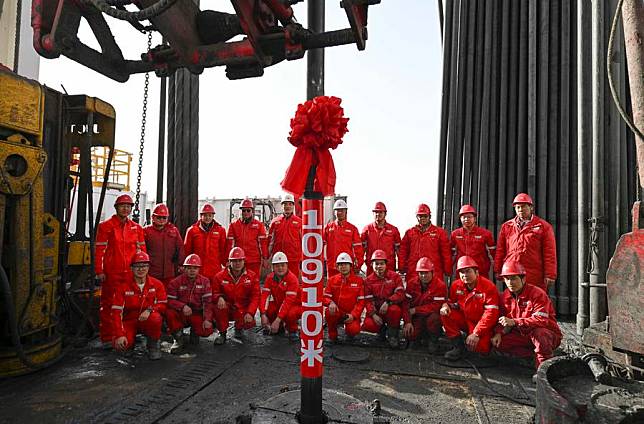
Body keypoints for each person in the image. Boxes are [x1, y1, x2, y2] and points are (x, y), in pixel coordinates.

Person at [491, 260, 562, 374]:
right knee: (499, 343)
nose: (510, 282)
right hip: (523, 334)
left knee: (540, 334)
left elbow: (542, 320)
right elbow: (502, 319)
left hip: (547, 334)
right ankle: (532, 356)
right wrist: (499, 333)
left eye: (514, 278)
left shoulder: (537, 294)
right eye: (507, 279)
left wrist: (515, 321)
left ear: (523, 279)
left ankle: (543, 371)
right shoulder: (504, 297)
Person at [95, 194, 146, 346]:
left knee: (131, 305)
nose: (125, 208)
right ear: (116, 207)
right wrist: (99, 271)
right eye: (122, 206)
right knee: (109, 305)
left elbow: (142, 252)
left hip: (131, 274)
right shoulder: (106, 226)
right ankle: (107, 337)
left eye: (128, 206)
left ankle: (127, 333)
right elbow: (99, 250)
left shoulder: (136, 228)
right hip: (112, 273)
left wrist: (143, 270)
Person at [494, 193, 557, 292]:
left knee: (535, 300)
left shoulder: (543, 226)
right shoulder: (507, 226)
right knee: (514, 301)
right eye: (518, 207)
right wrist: (498, 270)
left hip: (534, 273)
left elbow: (549, 252)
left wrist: (550, 274)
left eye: (523, 206)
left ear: (531, 207)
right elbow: (500, 250)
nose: (520, 209)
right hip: (512, 272)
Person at [440, 256, 499, 360]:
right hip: (465, 319)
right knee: (445, 313)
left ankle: (476, 340)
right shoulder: (456, 285)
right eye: (462, 272)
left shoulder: (489, 287)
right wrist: (445, 305)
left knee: (481, 349)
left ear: (476, 272)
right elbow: (452, 303)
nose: (465, 275)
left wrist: (476, 333)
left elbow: (491, 314)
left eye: (468, 271)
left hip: (481, 324)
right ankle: (458, 346)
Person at [110, 251, 166, 360]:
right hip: (128, 321)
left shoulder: (157, 284)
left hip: (147, 320)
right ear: (131, 268)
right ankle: (129, 345)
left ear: (149, 267)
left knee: (155, 318)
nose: (141, 269)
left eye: (144, 266)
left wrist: (150, 310)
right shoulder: (122, 287)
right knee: (121, 345)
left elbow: (162, 304)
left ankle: (153, 345)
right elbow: (116, 313)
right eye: (137, 266)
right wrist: (119, 335)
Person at [211, 247, 260, 345]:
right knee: (217, 307)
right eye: (234, 261)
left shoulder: (252, 276)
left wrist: (250, 312)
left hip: (242, 308)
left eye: (240, 260)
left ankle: (239, 327)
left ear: (244, 261)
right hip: (227, 307)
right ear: (229, 262)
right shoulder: (219, 276)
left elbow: (256, 296)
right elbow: (214, 292)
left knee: (248, 323)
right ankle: (222, 333)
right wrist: (219, 297)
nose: (237, 263)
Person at [166, 254, 214, 352]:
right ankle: (178, 338)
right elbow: (169, 301)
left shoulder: (205, 282)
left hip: (196, 313)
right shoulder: (175, 282)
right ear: (184, 268)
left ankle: (195, 332)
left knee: (206, 331)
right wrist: (182, 306)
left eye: (195, 268)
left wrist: (207, 319)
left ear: (199, 269)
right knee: (169, 313)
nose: (192, 270)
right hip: (181, 313)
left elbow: (208, 303)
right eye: (189, 268)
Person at [402, 257, 447, 353]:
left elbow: (437, 305)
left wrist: (416, 310)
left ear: (432, 272)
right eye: (421, 273)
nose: (423, 275)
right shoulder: (411, 283)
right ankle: (416, 339)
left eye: (426, 273)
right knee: (410, 334)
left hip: (430, 316)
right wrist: (407, 322)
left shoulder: (440, 285)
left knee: (435, 319)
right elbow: (405, 304)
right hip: (417, 317)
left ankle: (433, 339)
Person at [361, 250, 405, 348]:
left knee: (395, 310)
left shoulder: (395, 277)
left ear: (386, 264)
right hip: (377, 312)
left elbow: (400, 294)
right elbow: (367, 301)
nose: (379, 266)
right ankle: (381, 331)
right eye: (376, 264)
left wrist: (388, 301)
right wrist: (373, 314)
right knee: (368, 324)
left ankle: (392, 335)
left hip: (389, 309)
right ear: (372, 265)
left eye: (381, 264)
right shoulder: (368, 281)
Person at [399, 203, 451, 282]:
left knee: (434, 292)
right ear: (417, 217)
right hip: (414, 271)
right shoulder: (410, 233)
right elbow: (403, 251)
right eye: (420, 216)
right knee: (413, 292)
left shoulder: (440, 233)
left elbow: (446, 253)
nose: (422, 218)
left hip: (433, 272)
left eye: (425, 216)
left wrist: (448, 269)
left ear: (429, 217)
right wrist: (401, 267)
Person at [323, 252, 366, 342]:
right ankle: (332, 334)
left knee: (353, 330)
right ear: (337, 267)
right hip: (337, 312)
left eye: (346, 264)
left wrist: (353, 315)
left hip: (351, 314)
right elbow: (325, 297)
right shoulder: (332, 280)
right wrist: (330, 302)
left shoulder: (359, 281)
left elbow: (361, 302)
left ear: (350, 266)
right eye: (341, 265)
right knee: (329, 312)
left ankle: (349, 331)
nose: (343, 267)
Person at [260, 252, 301, 341]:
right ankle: (279, 328)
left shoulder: (292, 279)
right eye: (277, 266)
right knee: (270, 309)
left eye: (283, 265)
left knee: (290, 314)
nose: (280, 268)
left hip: (295, 306)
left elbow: (288, 302)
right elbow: (264, 296)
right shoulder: (269, 278)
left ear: (287, 266)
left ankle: (292, 330)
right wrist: (263, 314)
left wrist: (277, 320)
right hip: (280, 303)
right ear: (273, 267)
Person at [184, 203, 227, 283]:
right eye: (205, 215)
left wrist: (226, 265)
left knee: (214, 292)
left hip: (215, 270)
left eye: (210, 215)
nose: (207, 218)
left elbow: (223, 250)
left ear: (213, 216)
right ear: (201, 216)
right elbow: (187, 250)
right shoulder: (192, 231)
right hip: (198, 269)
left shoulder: (220, 231)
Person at [226, 198, 269, 278]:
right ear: (240, 211)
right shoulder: (233, 225)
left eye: (248, 210)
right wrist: (228, 259)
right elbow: (230, 244)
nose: (246, 212)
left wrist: (265, 258)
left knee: (254, 282)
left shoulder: (259, 225)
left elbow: (263, 243)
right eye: (243, 210)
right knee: (239, 283)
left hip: (254, 261)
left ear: (252, 211)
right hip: (238, 261)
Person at [144, 203, 185, 286]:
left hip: (169, 273)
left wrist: (181, 264)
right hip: (151, 273)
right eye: (159, 217)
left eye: (164, 217)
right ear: (153, 217)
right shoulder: (146, 231)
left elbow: (180, 248)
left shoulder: (173, 231)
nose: (161, 219)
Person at [450, 204, 495, 278]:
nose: (466, 219)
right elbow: (451, 254)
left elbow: (492, 254)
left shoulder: (485, 234)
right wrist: (449, 268)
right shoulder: (455, 234)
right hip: (462, 271)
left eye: (469, 217)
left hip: (480, 271)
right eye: (464, 217)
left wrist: (496, 269)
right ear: (460, 219)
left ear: (475, 218)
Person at [323, 199, 364, 278]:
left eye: (342, 210)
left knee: (347, 288)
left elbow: (358, 248)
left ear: (346, 212)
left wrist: (359, 264)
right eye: (337, 210)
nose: (340, 213)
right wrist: (320, 262)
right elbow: (320, 246)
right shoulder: (328, 228)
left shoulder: (353, 229)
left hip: (347, 266)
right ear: (334, 212)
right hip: (332, 266)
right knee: (332, 288)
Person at [361, 201, 402, 275]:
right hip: (372, 268)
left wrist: (401, 266)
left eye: (380, 212)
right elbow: (361, 250)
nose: (378, 214)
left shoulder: (393, 230)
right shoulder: (367, 229)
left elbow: (399, 251)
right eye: (376, 212)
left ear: (385, 214)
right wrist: (359, 264)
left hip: (389, 268)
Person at [267, 194, 302, 276]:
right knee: (277, 282)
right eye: (285, 204)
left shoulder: (300, 222)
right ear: (281, 206)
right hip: (278, 259)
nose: (287, 206)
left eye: (290, 204)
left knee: (293, 282)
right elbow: (270, 242)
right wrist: (267, 258)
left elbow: (303, 241)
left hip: (293, 259)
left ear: (293, 206)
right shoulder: (275, 222)